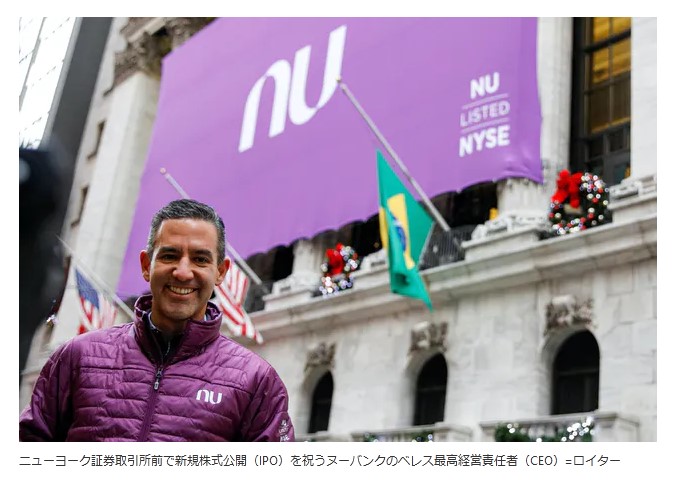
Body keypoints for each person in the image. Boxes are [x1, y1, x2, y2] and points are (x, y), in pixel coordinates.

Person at [19, 199, 295, 441]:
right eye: (170, 256)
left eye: (200, 259)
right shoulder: (77, 357)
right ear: (146, 265)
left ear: (221, 272)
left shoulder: (256, 381)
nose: (183, 272)